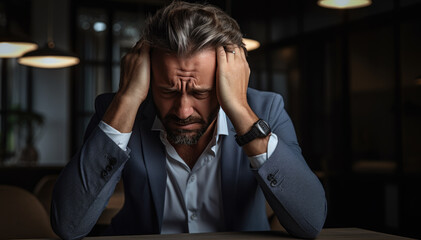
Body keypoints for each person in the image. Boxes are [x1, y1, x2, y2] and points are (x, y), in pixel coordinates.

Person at [51, 1, 327, 239]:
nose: (183, 111)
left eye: (201, 93)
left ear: (227, 81)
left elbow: (310, 221)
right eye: (168, 91)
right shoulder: (119, 110)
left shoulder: (266, 110)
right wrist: (127, 98)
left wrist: (241, 111)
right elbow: (68, 225)